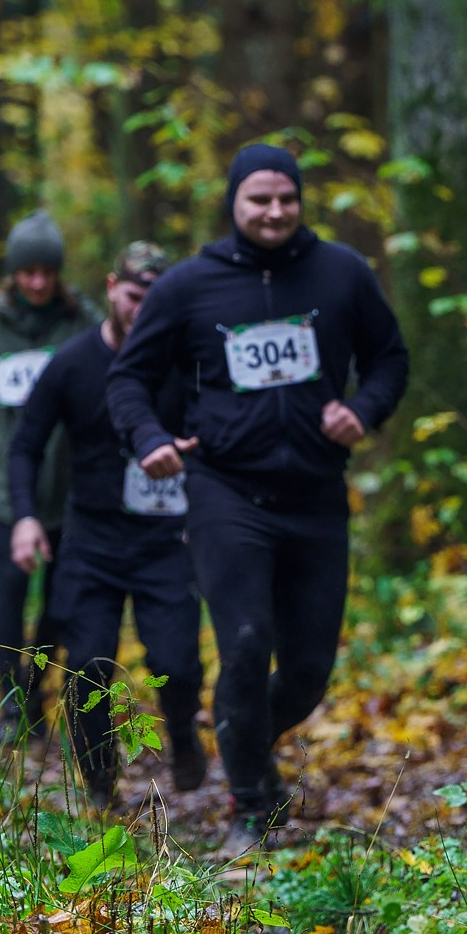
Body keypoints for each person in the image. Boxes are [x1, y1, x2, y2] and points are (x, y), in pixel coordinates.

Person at [107, 144, 409, 857]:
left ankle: (242, 740)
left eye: (286, 199)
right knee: (244, 644)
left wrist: (363, 410)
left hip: (315, 493)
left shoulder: (342, 273)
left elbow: (391, 358)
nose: (274, 212)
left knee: (306, 672)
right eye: (259, 200)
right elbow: (128, 379)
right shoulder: (187, 286)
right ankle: (250, 806)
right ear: (234, 204)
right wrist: (147, 436)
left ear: (300, 202)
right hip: (225, 492)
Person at [7, 240, 207, 812]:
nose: (142, 308)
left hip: (167, 538)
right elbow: (25, 445)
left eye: (155, 299)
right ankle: (99, 784)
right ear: (112, 286)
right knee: (88, 664)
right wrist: (25, 517)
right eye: (135, 295)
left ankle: (186, 734)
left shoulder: (184, 365)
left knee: (176, 662)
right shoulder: (72, 364)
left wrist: (205, 513)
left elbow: (212, 440)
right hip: (91, 539)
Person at [0, 210, 99, 738]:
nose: (37, 283)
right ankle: (11, 703)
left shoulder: (82, 321)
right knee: (11, 587)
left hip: (70, 484)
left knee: (60, 599)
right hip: (11, 488)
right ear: (13, 273)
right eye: (27, 272)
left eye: (47, 273)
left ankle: (35, 688)